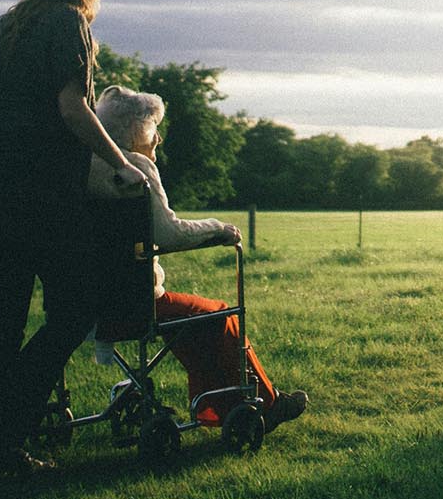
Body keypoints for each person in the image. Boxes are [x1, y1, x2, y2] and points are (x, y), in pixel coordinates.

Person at [0, 0, 148, 472]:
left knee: (4, 320)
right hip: (40, 200)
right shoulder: (69, 25)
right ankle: (10, 423)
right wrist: (121, 162)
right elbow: (73, 108)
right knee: (74, 312)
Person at [87, 85, 307, 432]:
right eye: (153, 128)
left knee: (192, 321)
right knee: (219, 314)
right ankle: (265, 403)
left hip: (87, 303)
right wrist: (217, 228)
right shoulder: (135, 168)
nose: (158, 138)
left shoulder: (86, 166)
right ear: (135, 131)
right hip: (135, 303)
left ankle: (216, 409)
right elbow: (169, 234)